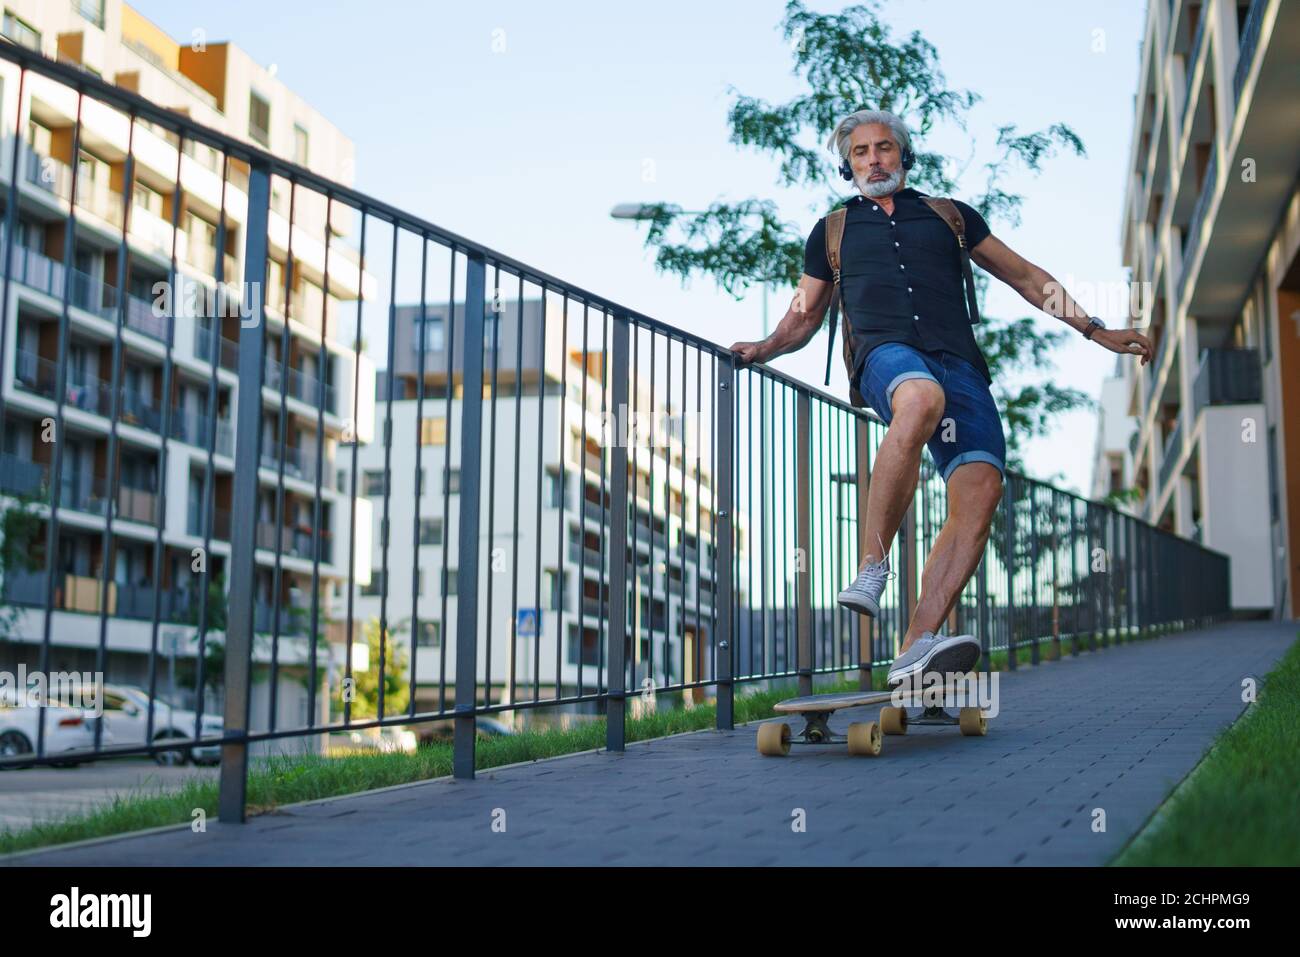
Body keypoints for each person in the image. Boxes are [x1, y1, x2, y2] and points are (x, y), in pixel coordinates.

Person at [729, 109, 1151, 686]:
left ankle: (918, 645)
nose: (874, 159)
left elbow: (1026, 276)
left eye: (883, 148)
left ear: (904, 155)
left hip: (961, 364)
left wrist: (1096, 330)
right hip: (887, 357)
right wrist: (766, 347)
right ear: (847, 164)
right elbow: (803, 316)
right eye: (860, 152)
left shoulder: (949, 216)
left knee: (982, 487)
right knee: (920, 399)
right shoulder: (832, 230)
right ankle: (872, 567)